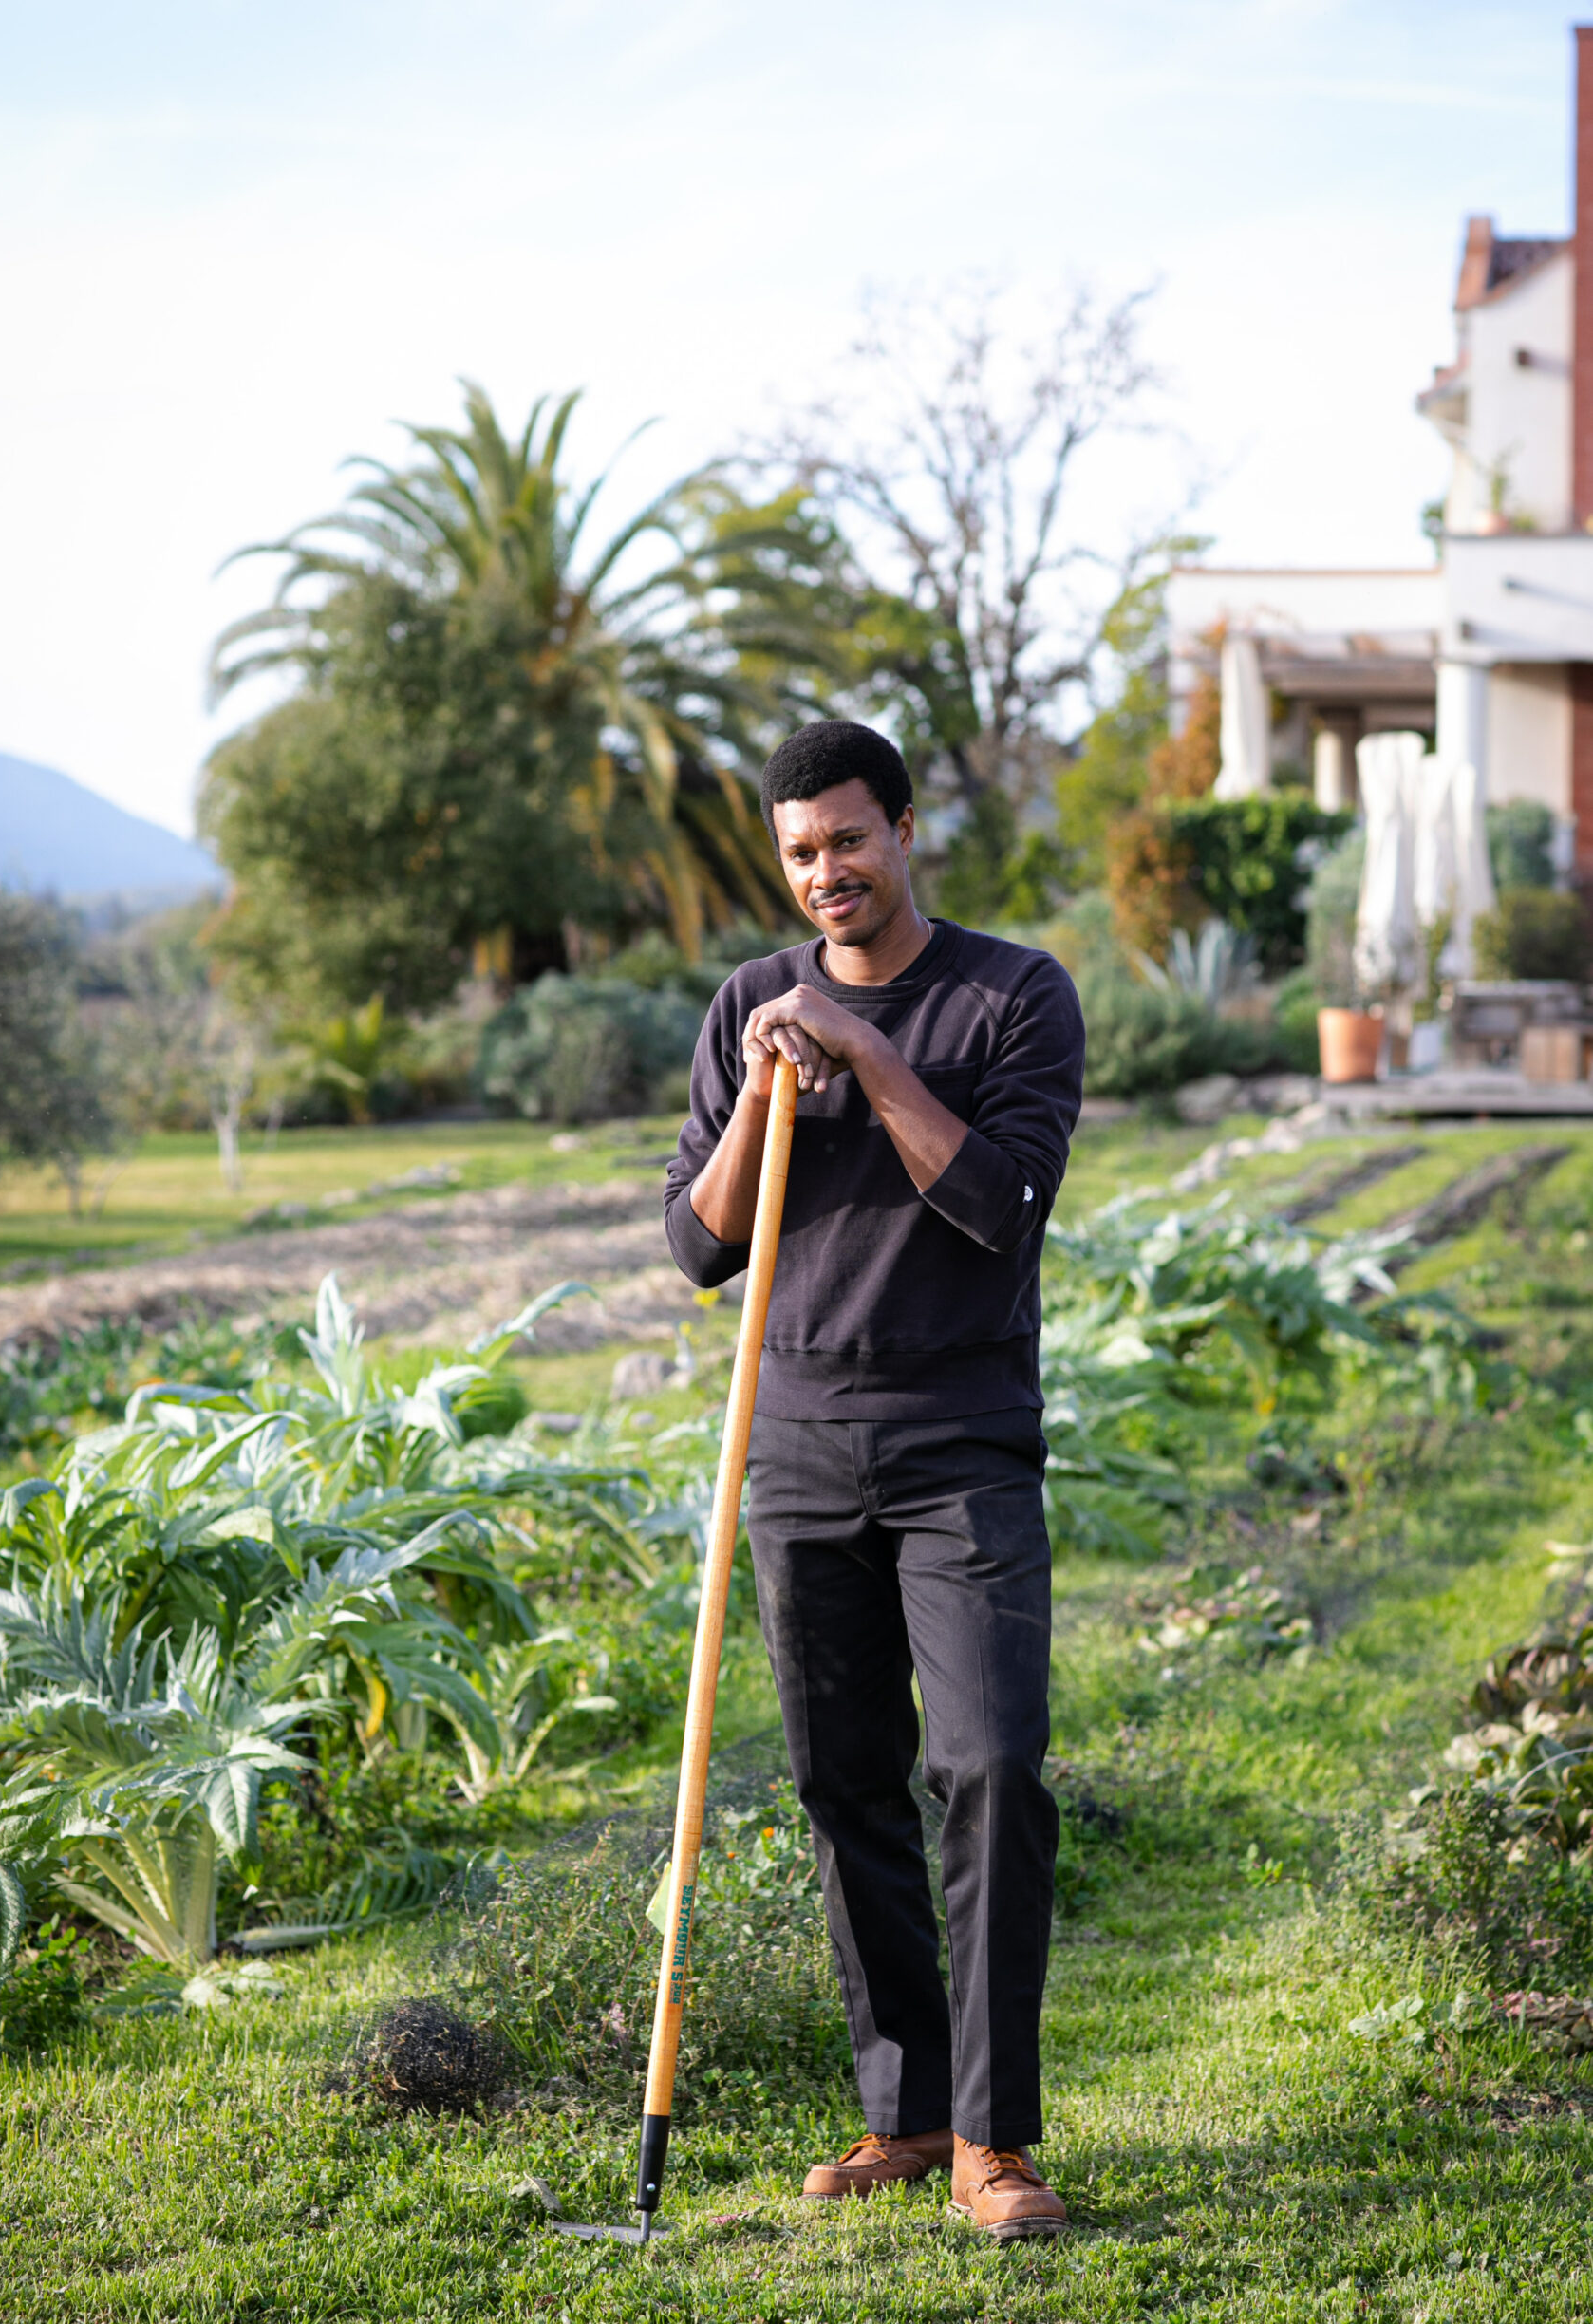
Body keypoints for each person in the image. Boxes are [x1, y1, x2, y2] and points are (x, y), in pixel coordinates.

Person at [663, 721, 1085, 2241]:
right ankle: (904, 2113)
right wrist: (772, 1097)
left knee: (986, 1768)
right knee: (847, 1789)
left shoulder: (1011, 995)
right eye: (798, 852)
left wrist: (874, 1058)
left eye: (848, 839)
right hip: (796, 1446)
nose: (825, 872)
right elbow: (700, 1247)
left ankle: (997, 2140)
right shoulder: (744, 1009)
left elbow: (998, 1206)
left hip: (960, 1437)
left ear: (905, 832)